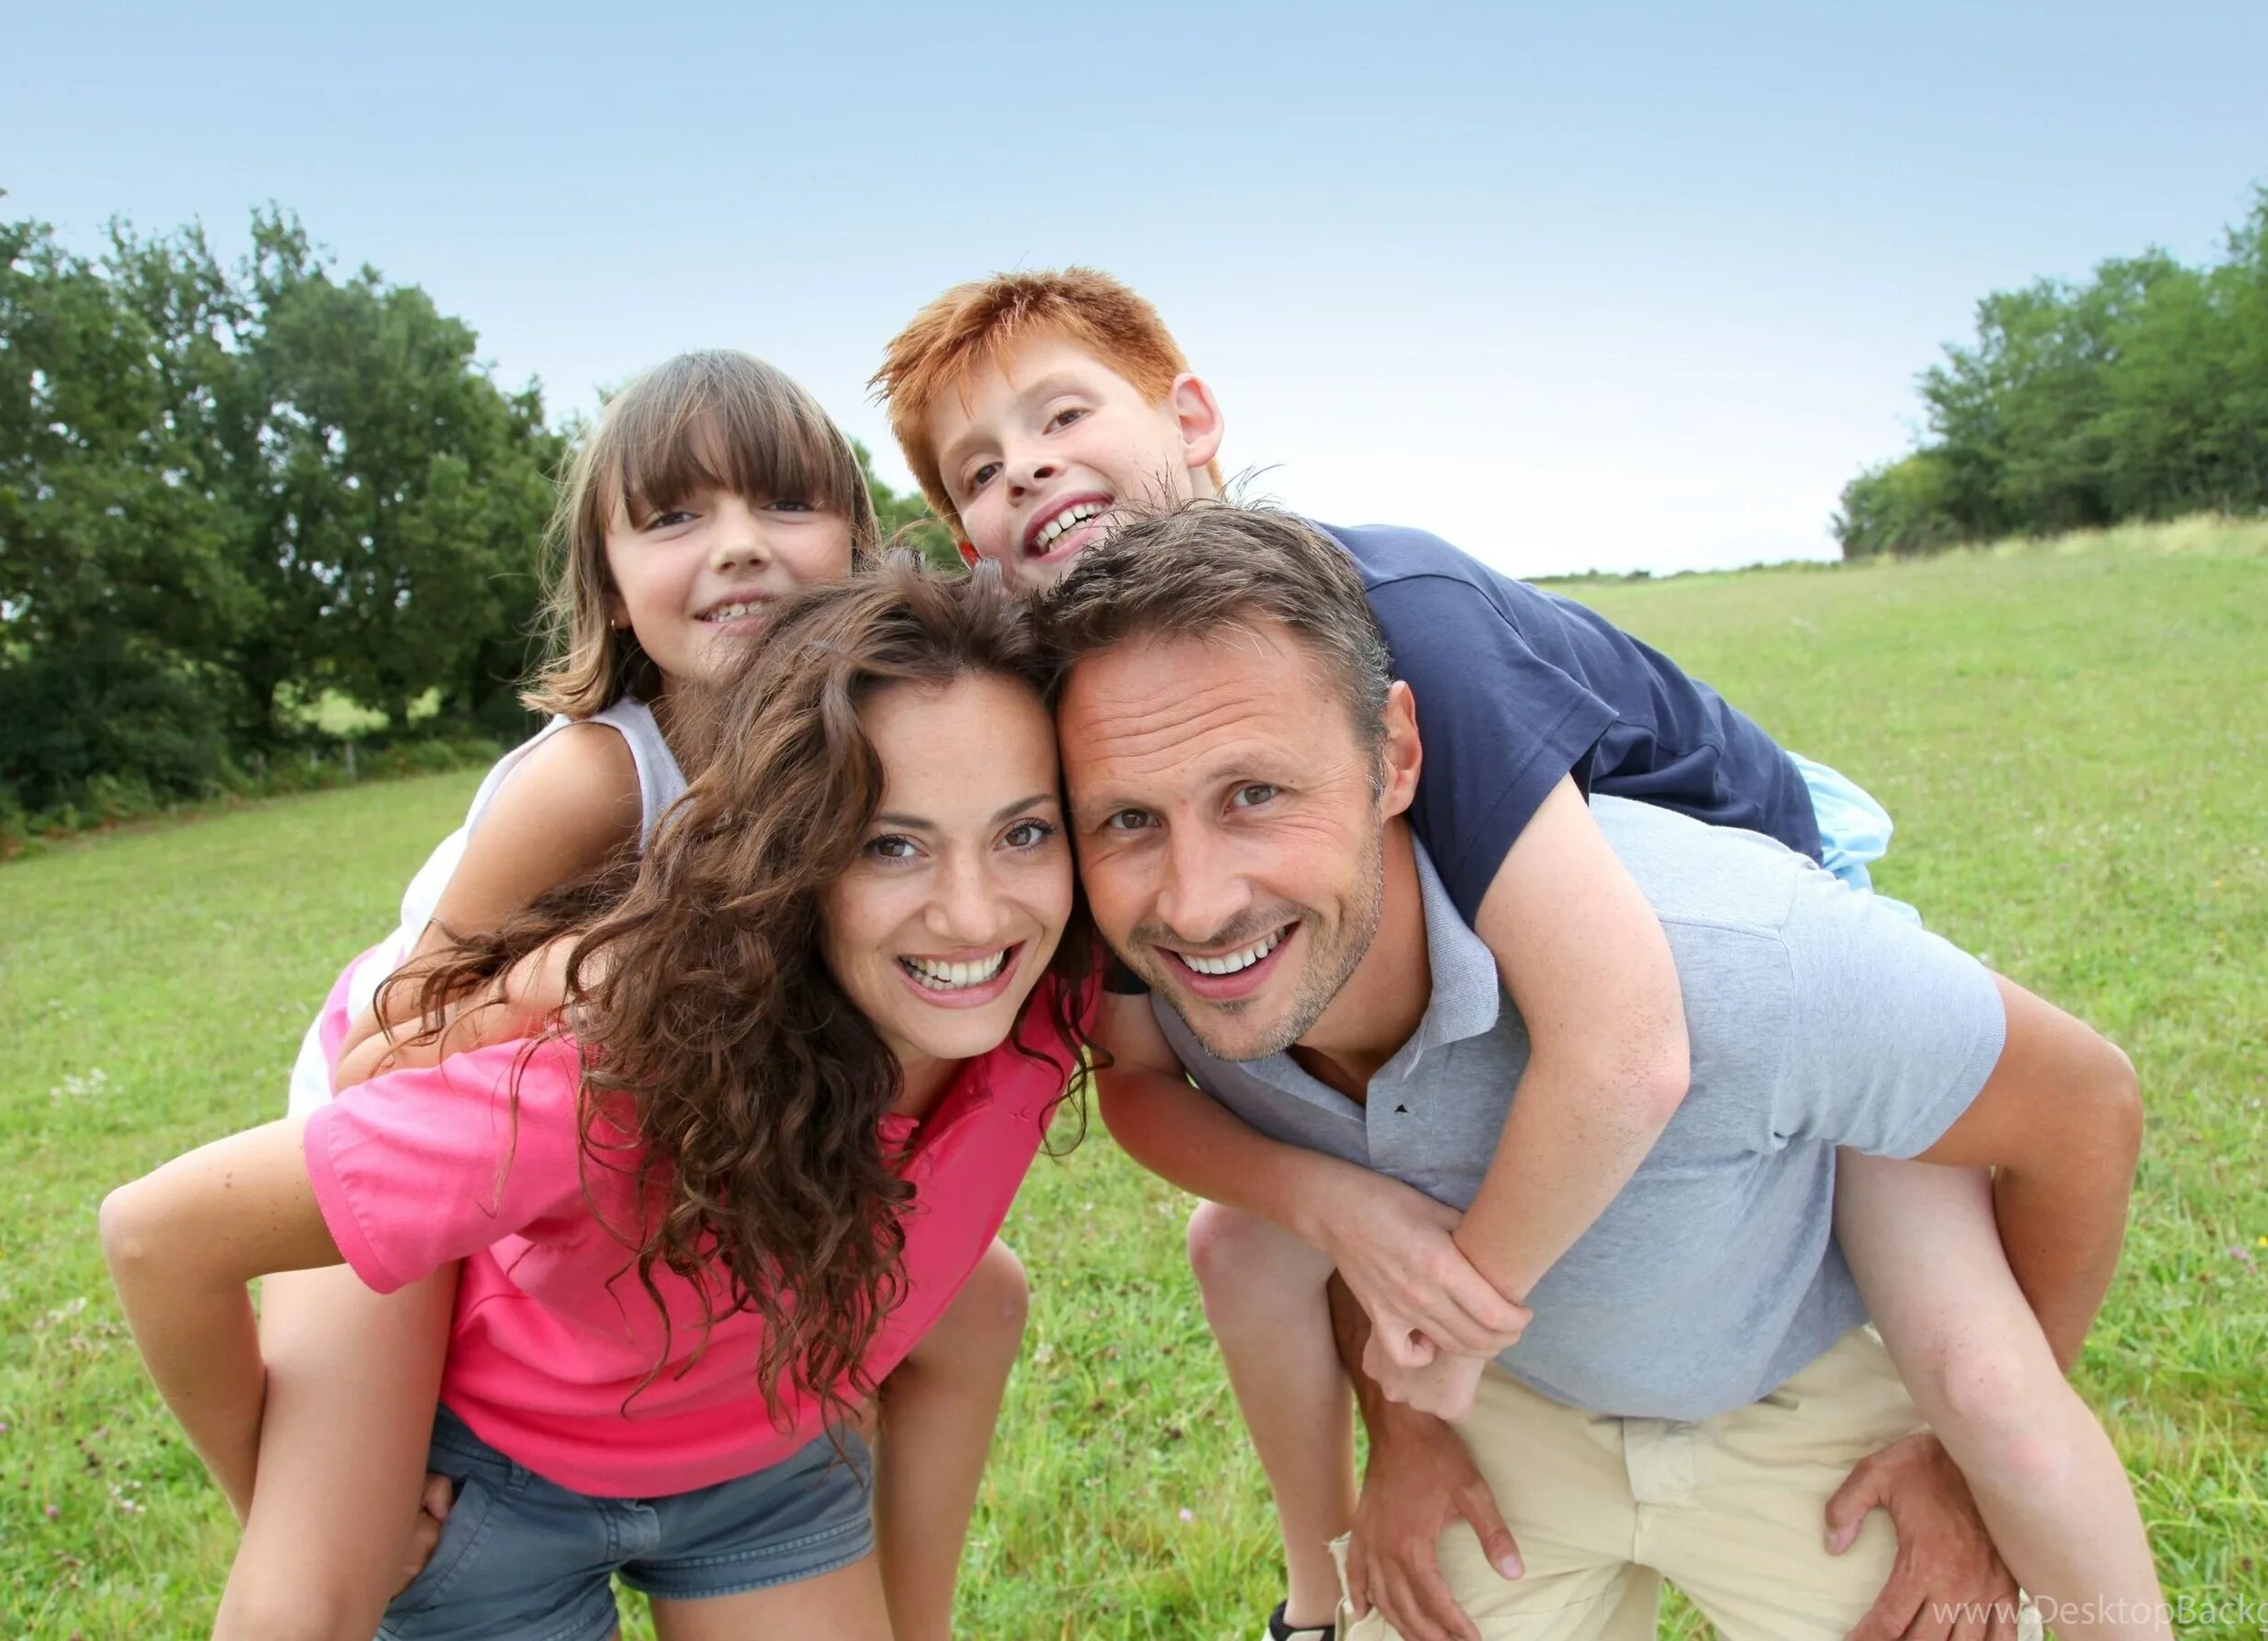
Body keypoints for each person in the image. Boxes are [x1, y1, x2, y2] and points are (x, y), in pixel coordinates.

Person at [876, 272, 2162, 1638]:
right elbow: (1144, 1073)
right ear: (967, 539)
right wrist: (1340, 1214)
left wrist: (1438, 1339)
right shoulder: (1092, 724)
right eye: (982, 467)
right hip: (1548, 997)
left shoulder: (1396, 616)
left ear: (1193, 416)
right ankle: (1316, 1595)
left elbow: (1627, 1040)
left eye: (1063, 414)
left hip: (1751, 931)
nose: (1030, 469)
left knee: (1983, 1381)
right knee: (1246, 1241)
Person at [103, 560, 1096, 1641]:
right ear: (788, 861)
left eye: (1024, 833)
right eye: (889, 844)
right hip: (502, 1498)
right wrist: (277, 1498)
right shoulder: (616, 1082)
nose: (973, 911)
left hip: (764, 1476)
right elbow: (160, 1235)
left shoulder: (1049, 990)